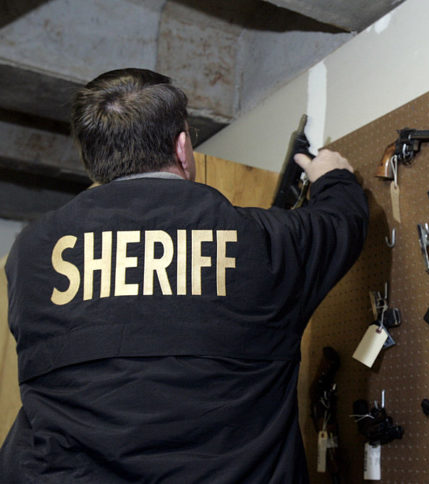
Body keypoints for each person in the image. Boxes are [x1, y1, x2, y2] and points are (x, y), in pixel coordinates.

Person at [0, 68, 368, 482]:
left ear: (94, 164)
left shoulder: (31, 254)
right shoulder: (260, 243)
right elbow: (343, 222)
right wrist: (333, 177)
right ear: (182, 148)